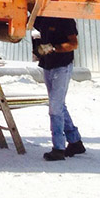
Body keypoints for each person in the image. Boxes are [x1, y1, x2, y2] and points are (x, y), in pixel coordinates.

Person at [33, 15, 85, 161]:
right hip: (48, 65)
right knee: (58, 105)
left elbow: (73, 44)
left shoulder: (66, 19)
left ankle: (58, 148)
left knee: (55, 108)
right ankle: (75, 141)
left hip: (62, 66)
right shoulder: (41, 18)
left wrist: (53, 48)